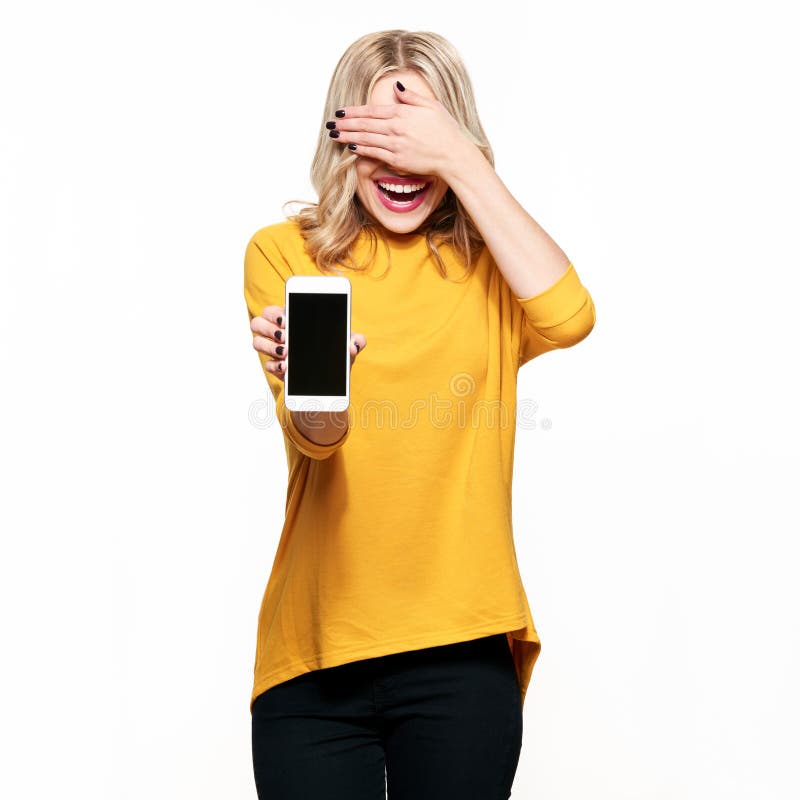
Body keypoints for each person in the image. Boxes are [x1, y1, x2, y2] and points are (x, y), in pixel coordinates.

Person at [243, 29, 595, 800]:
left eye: (419, 140)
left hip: (461, 656)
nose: (400, 167)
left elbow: (570, 317)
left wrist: (461, 161)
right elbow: (316, 443)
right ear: (342, 139)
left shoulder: (491, 271)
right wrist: (317, 392)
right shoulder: (287, 253)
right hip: (314, 659)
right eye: (378, 138)